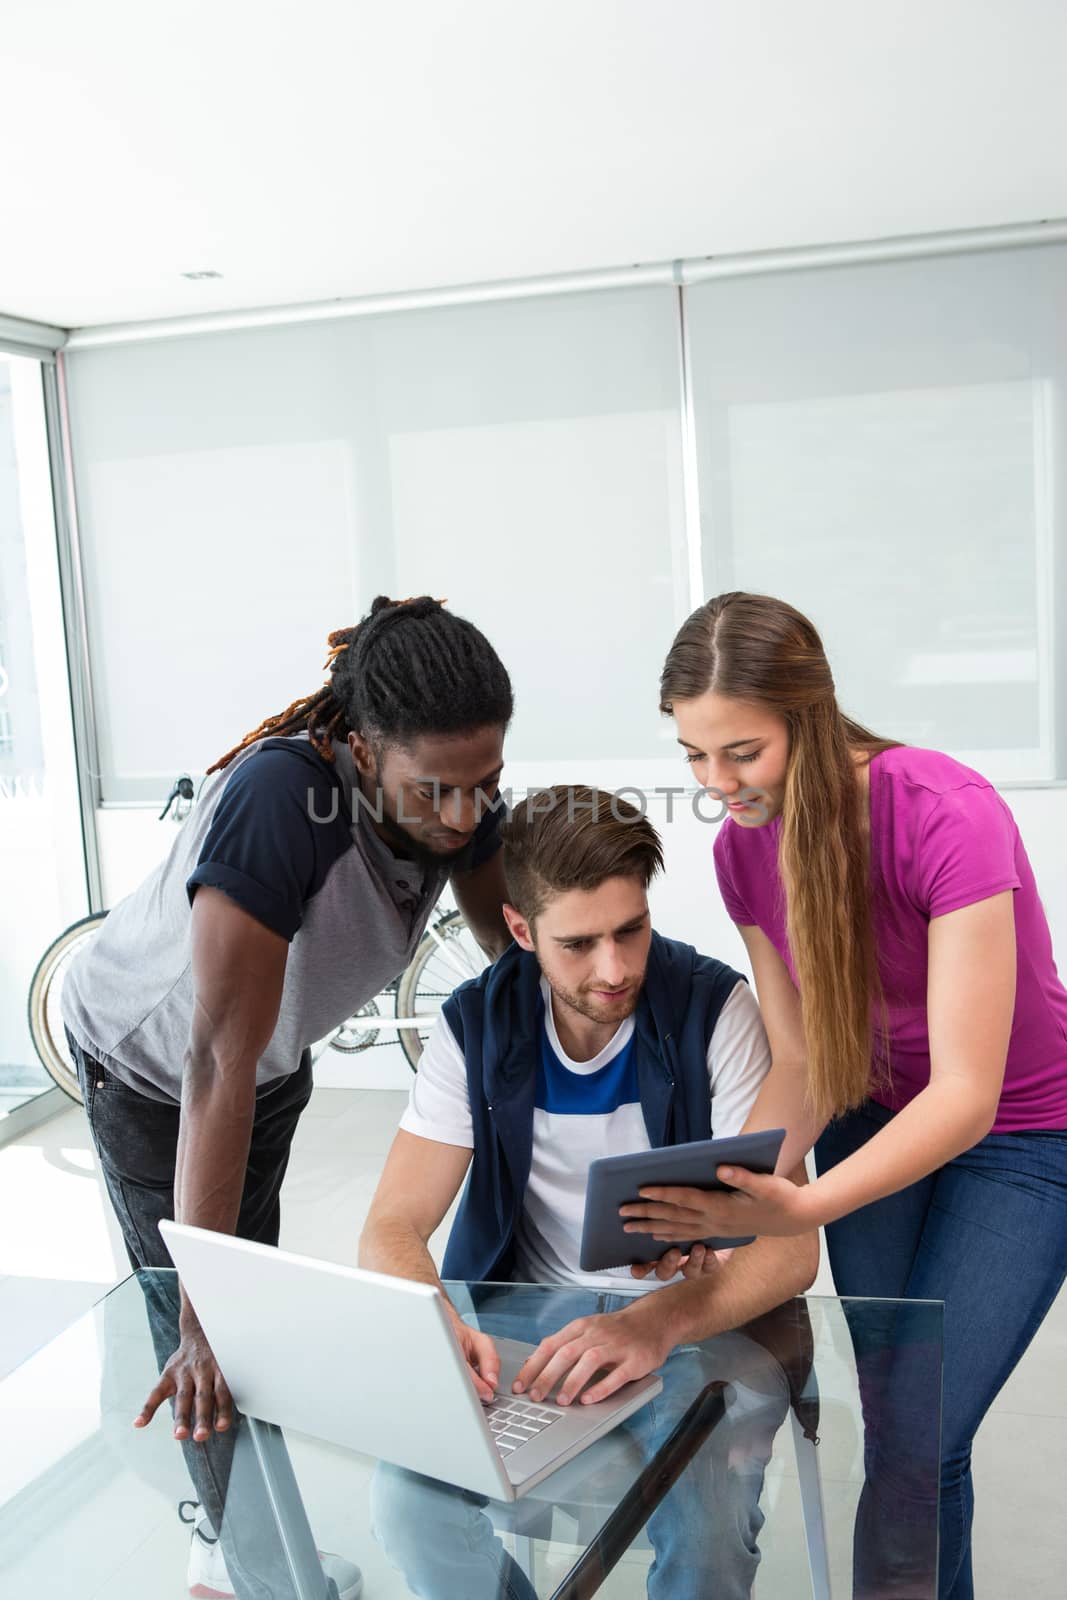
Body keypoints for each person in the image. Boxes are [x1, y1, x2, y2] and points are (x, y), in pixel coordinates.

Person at [62, 594, 514, 1600]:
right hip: (150, 1064)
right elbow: (212, 1060)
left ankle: (226, 1537)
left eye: (483, 783)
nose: (462, 814)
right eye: (434, 789)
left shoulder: (460, 790)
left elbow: (511, 962)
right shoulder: (280, 797)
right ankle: (253, 1570)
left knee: (243, 1312)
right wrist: (202, 1314)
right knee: (211, 1330)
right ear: (361, 747)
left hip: (265, 1064)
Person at [625, 591, 1067, 1600]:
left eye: (739, 750)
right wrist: (720, 1191)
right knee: (906, 1434)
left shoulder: (942, 809)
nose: (713, 782)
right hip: (871, 1109)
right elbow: (804, 1059)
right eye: (693, 754)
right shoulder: (743, 848)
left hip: (1021, 1133)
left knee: (920, 1425)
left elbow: (967, 1093)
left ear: (807, 716)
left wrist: (802, 1205)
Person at [360, 784, 818, 1600]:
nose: (614, 970)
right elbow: (392, 1224)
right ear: (520, 930)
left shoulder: (716, 1010)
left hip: (692, 1324)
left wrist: (657, 1322)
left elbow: (792, 1248)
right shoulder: (474, 1023)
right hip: (521, 1326)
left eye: (630, 931)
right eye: (577, 945)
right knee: (406, 1504)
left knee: (706, 1524)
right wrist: (430, 1313)